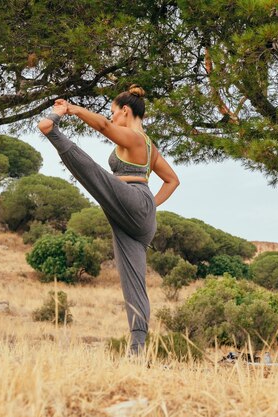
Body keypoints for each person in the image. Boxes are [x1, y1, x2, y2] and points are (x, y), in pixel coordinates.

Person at [38, 84, 179, 354]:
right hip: (136, 214)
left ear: (125, 111)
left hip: (134, 201)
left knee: (96, 176)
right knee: (133, 284)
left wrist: (71, 109)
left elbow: (103, 126)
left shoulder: (136, 138)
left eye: (114, 113)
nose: (112, 117)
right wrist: (152, 206)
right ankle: (137, 351)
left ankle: (52, 132)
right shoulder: (151, 147)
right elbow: (173, 181)